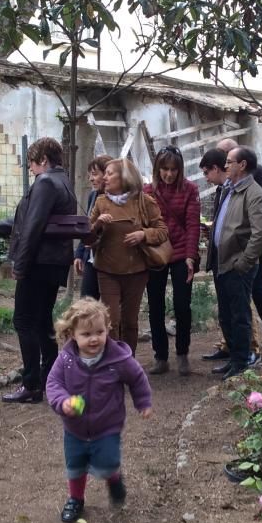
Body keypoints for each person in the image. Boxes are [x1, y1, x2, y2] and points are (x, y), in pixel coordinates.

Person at [0, 137, 76, 403]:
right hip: (52, 263)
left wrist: (20, 263)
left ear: (43, 160)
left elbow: (32, 228)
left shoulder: (45, 182)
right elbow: (25, 220)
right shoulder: (62, 181)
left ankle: (31, 385)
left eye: (31, 162)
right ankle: (51, 378)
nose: (29, 168)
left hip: (39, 264)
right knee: (41, 322)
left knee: (24, 321)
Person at [46, 298, 152, 523]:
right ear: (72, 334)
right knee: (75, 466)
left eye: (99, 332)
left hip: (107, 426)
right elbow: (53, 383)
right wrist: (63, 402)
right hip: (74, 428)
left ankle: (113, 477)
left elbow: (137, 378)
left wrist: (143, 402)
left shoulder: (118, 359)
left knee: (106, 463)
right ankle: (76, 499)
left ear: (107, 330)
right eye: (86, 334)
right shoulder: (66, 359)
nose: (94, 338)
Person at [89, 158, 169, 355]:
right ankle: (112, 364)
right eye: (104, 174)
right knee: (111, 321)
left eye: (109, 173)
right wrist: (98, 224)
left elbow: (162, 231)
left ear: (125, 177)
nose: (104, 178)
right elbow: (87, 238)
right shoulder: (100, 202)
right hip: (107, 271)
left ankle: (128, 362)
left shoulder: (144, 201)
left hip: (136, 271)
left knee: (130, 322)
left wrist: (144, 234)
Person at [210, 145, 262, 380]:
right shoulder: (232, 190)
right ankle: (233, 359)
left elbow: (261, 234)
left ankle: (241, 361)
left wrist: (244, 262)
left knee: (239, 315)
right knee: (226, 314)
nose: (225, 166)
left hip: (237, 266)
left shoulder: (254, 193)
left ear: (242, 165)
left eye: (228, 162)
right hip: (223, 263)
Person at [216, 138, 262, 351]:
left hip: (252, 244)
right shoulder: (229, 182)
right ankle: (237, 348)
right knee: (236, 301)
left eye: (226, 158)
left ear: (240, 161)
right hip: (234, 249)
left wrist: (250, 231)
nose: (223, 164)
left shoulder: (257, 176)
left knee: (257, 288)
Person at [143, 146, 201, 376]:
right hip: (156, 253)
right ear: (158, 169)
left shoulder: (190, 190)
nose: (168, 174)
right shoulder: (148, 191)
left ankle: (182, 353)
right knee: (155, 305)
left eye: (173, 170)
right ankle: (161, 356)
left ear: (180, 170)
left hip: (180, 253)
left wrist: (190, 256)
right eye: (165, 169)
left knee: (182, 305)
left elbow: (193, 225)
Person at [74, 155, 112, 300]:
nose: (90, 178)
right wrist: (79, 254)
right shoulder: (93, 196)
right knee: (86, 303)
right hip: (91, 259)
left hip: (110, 261)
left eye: (95, 174)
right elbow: (88, 227)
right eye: (90, 174)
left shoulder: (118, 199)